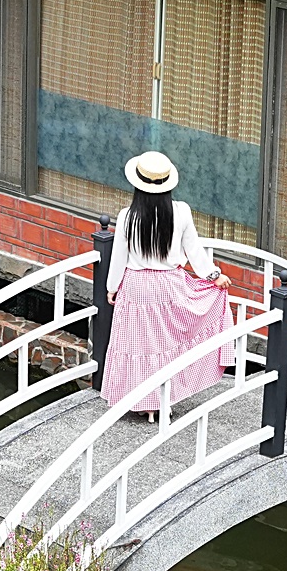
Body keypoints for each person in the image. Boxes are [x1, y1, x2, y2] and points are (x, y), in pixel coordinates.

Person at [101, 151, 233, 412]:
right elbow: (195, 252)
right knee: (166, 344)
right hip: (170, 286)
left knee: (137, 344)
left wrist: (112, 288)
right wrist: (215, 276)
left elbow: (119, 258)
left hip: (136, 288)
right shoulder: (181, 212)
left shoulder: (127, 216)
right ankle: (163, 401)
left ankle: (139, 401)